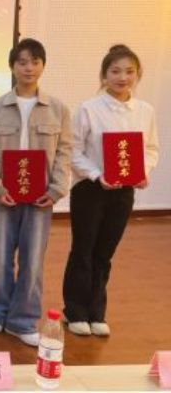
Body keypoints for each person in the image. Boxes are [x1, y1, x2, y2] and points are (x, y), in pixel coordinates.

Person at [0, 38, 72, 346]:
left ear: (43, 66)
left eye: (34, 62)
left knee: (32, 260)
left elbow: (65, 152)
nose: (28, 68)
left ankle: (24, 320)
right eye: (21, 62)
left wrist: (56, 190)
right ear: (12, 67)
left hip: (40, 198)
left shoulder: (58, 109)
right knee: (1, 258)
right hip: (3, 195)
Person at [62, 44, 159, 337]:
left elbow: (151, 149)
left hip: (123, 192)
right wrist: (97, 174)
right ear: (104, 75)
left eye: (129, 72)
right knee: (83, 249)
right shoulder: (88, 109)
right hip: (90, 189)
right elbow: (73, 151)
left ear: (138, 75)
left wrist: (143, 172)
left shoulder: (145, 111)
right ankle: (75, 312)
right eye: (115, 71)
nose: (122, 77)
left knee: (105, 252)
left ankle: (97, 313)